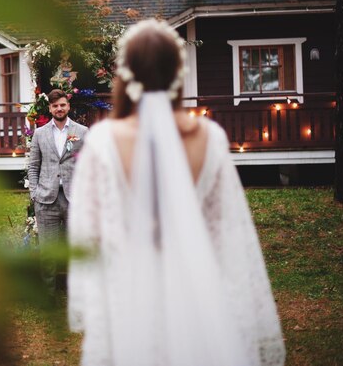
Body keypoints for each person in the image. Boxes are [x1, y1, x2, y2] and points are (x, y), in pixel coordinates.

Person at [67, 19, 286, 366]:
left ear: (126, 74)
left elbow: (88, 235)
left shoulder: (103, 141)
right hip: (197, 290)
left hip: (130, 292)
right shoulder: (209, 137)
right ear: (177, 74)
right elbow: (224, 228)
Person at [28, 88, 88, 291]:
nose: (59, 108)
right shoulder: (39, 133)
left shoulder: (81, 132)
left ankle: (77, 295)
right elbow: (33, 166)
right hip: (46, 200)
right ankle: (48, 295)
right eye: (55, 106)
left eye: (62, 104)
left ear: (68, 106)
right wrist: (34, 194)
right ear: (50, 108)